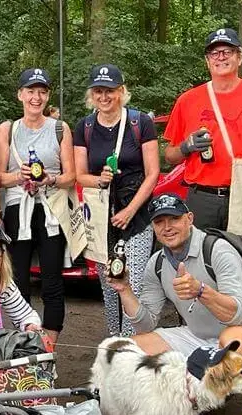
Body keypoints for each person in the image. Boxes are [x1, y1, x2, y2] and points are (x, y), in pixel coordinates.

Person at [108, 194, 242, 415]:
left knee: (233, 341)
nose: (167, 228)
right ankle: (184, 402)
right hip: (200, 334)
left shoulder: (217, 249)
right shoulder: (157, 263)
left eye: (174, 219)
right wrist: (124, 290)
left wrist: (201, 291)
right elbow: (145, 324)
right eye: (159, 222)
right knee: (128, 349)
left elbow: (238, 313)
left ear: (190, 219)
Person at [163, 28, 242, 231]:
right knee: (201, 258)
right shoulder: (187, 100)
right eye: (214, 53)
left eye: (227, 52)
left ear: (239, 57)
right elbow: (169, 156)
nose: (221, 58)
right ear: (207, 60)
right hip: (203, 197)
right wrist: (186, 147)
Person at [73, 63, 160, 337]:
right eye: (98, 91)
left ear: (121, 92)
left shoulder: (139, 123)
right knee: (110, 286)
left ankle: (130, 348)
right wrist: (100, 179)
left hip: (136, 215)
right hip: (102, 217)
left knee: (131, 284)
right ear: (91, 95)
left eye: (110, 91)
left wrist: (131, 211)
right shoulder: (84, 127)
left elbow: (153, 173)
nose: (104, 97)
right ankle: (114, 344)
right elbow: (80, 174)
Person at [0, 68, 75, 346]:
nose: (36, 97)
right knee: (17, 281)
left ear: (48, 95)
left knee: (52, 281)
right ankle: (21, 345)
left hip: (51, 209)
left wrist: (49, 178)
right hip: (19, 208)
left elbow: (70, 176)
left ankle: (50, 347)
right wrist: (20, 176)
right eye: (30, 91)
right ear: (20, 94)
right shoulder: (8, 130)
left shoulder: (60, 129)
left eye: (41, 91)